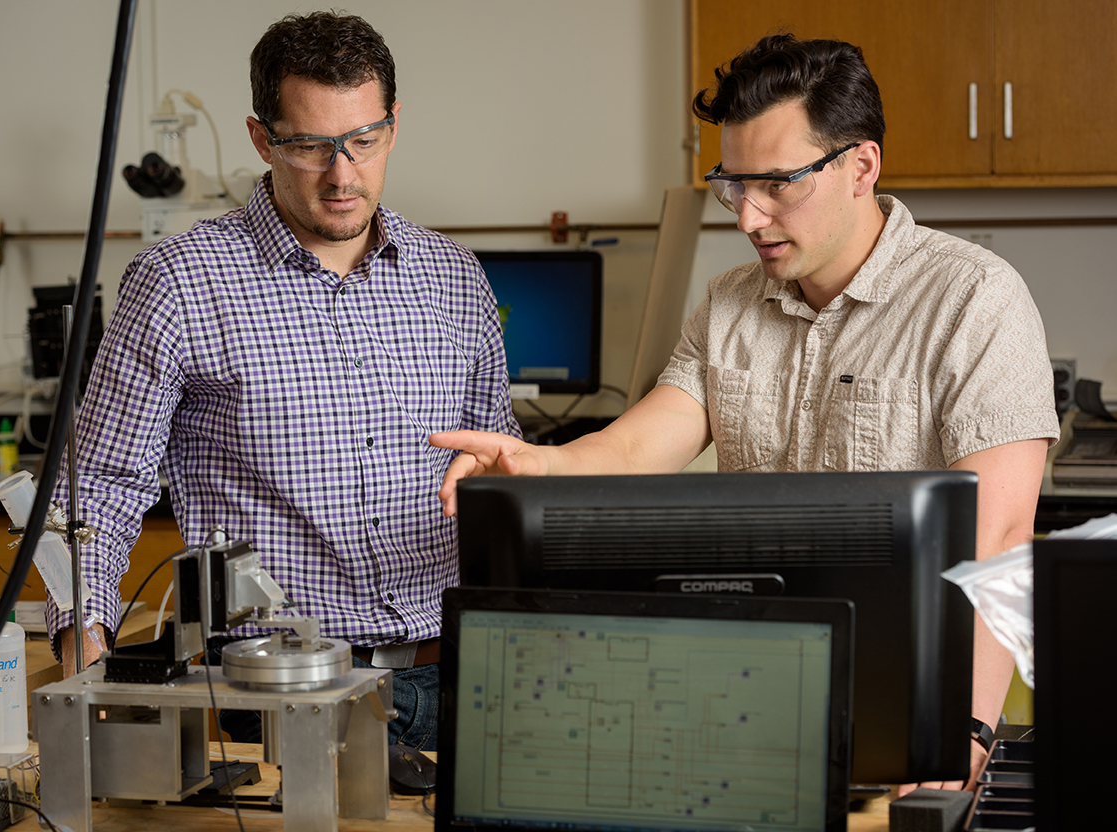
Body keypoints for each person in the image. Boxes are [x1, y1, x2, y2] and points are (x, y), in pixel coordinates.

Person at [431, 34, 1059, 791]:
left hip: (904, 711)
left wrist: (965, 728)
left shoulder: (974, 299)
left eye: (777, 183)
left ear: (861, 166)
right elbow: (637, 449)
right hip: (742, 708)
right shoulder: (728, 301)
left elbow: (998, 531)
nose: (749, 215)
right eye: (734, 185)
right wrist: (542, 464)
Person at [47, 11, 518, 751]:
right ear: (261, 138)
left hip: (452, 678)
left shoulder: (453, 278)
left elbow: (500, 465)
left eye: (363, 141)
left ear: (394, 125)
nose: (342, 173)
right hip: (269, 696)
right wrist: (86, 650)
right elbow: (100, 485)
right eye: (309, 146)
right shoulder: (178, 284)